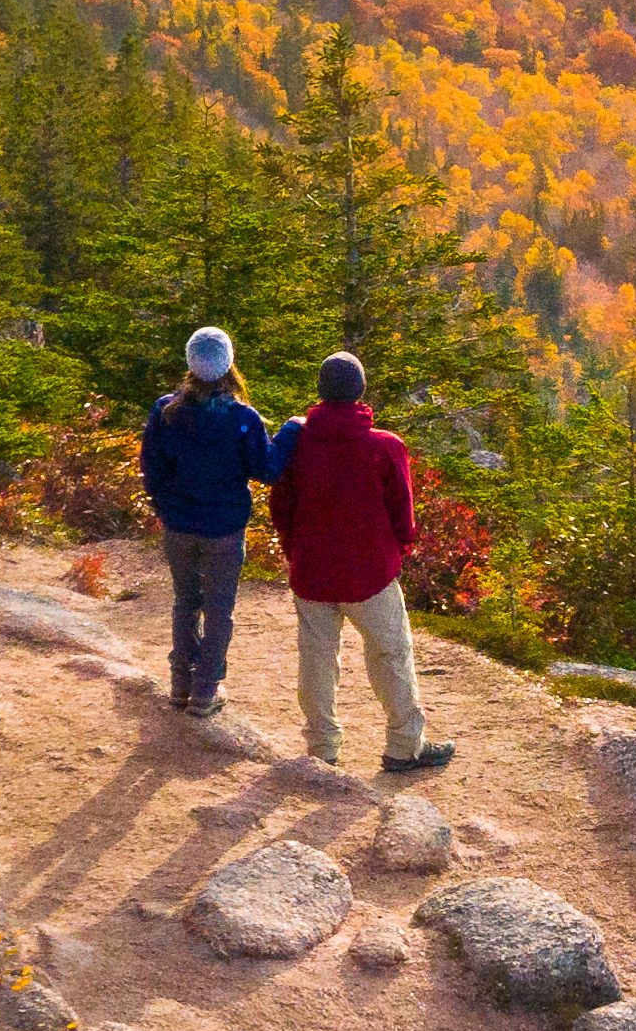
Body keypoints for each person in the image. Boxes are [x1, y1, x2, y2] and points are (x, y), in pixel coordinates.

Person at [270, 347, 450, 778]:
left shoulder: (297, 445)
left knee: (316, 658)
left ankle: (322, 750)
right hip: (370, 574)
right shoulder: (386, 447)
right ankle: (405, 746)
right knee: (390, 653)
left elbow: (282, 508)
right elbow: (402, 516)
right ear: (360, 391)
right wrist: (397, 551)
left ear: (320, 391)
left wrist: (296, 550)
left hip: (311, 572)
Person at [132, 326, 282, 719]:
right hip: (224, 528)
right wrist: (291, 434)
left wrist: (162, 506)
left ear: (191, 363)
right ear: (229, 364)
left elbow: (151, 466)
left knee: (186, 601)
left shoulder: (166, 410)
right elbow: (266, 469)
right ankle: (206, 690)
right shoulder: (241, 418)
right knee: (219, 607)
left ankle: (180, 685)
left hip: (179, 524)